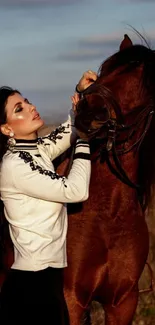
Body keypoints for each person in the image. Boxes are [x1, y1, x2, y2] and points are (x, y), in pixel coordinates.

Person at [0, 70, 97, 324]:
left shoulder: (37, 149)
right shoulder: (15, 166)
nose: (31, 108)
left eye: (27, 101)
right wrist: (84, 142)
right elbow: (75, 190)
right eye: (19, 109)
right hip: (32, 288)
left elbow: (70, 130)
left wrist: (81, 92)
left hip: (49, 280)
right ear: (6, 128)